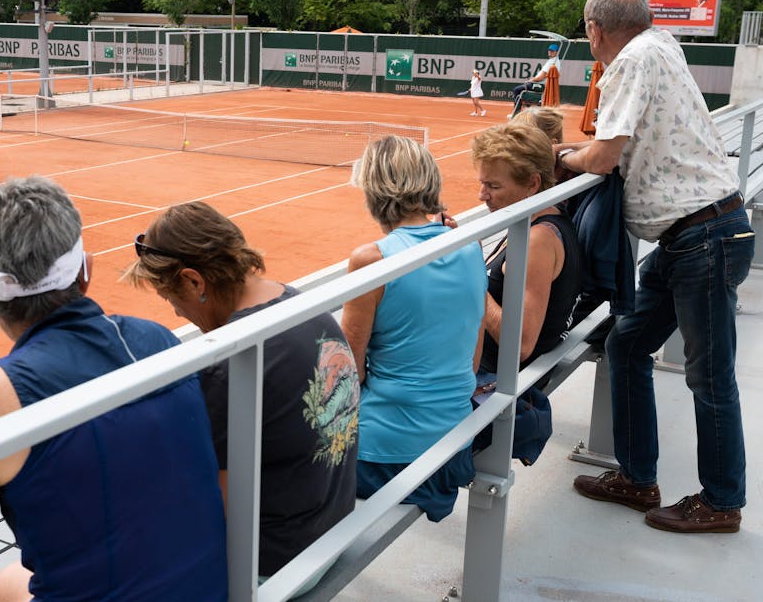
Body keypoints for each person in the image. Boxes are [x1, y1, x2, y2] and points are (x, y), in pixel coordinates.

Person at [0, 177, 228, 601]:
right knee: (8, 583)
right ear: (86, 272)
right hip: (207, 591)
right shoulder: (159, 340)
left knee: (6, 582)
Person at [562, 0, 753, 533]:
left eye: (588, 32)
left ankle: (722, 502)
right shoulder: (664, 43)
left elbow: (603, 155)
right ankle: (636, 477)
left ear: (596, 28)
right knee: (626, 344)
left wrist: (559, 155)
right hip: (692, 237)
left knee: (709, 377)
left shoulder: (632, 59)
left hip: (703, 237)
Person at [123, 201, 360, 591]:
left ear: (195, 282)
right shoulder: (299, 302)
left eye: (172, 299)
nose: (179, 315)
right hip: (330, 528)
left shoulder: (232, 362)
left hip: (275, 562)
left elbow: (211, 511)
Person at [341, 135, 485, 520]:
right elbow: (472, 360)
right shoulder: (469, 245)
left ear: (374, 190)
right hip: (455, 445)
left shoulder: (370, 260)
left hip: (384, 460)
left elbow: (349, 373)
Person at [470, 124, 582, 464]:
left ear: (532, 183)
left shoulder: (536, 242)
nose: (482, 195)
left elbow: (520, 345)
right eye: (482, 183)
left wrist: (472, 274)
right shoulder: (532, 223)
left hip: (496, 382)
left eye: (493, 185)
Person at [510, 43, 560, 118]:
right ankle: (524, 111)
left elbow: (541, 77)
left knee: (517, 90)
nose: (550, 52)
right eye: (549, 50)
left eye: (552, 51)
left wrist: (532, 80)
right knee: (520, 90)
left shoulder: (552, 62)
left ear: (557, 52)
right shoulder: (554, 61)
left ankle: (516, 114)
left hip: (540, 85)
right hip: (540, 84)